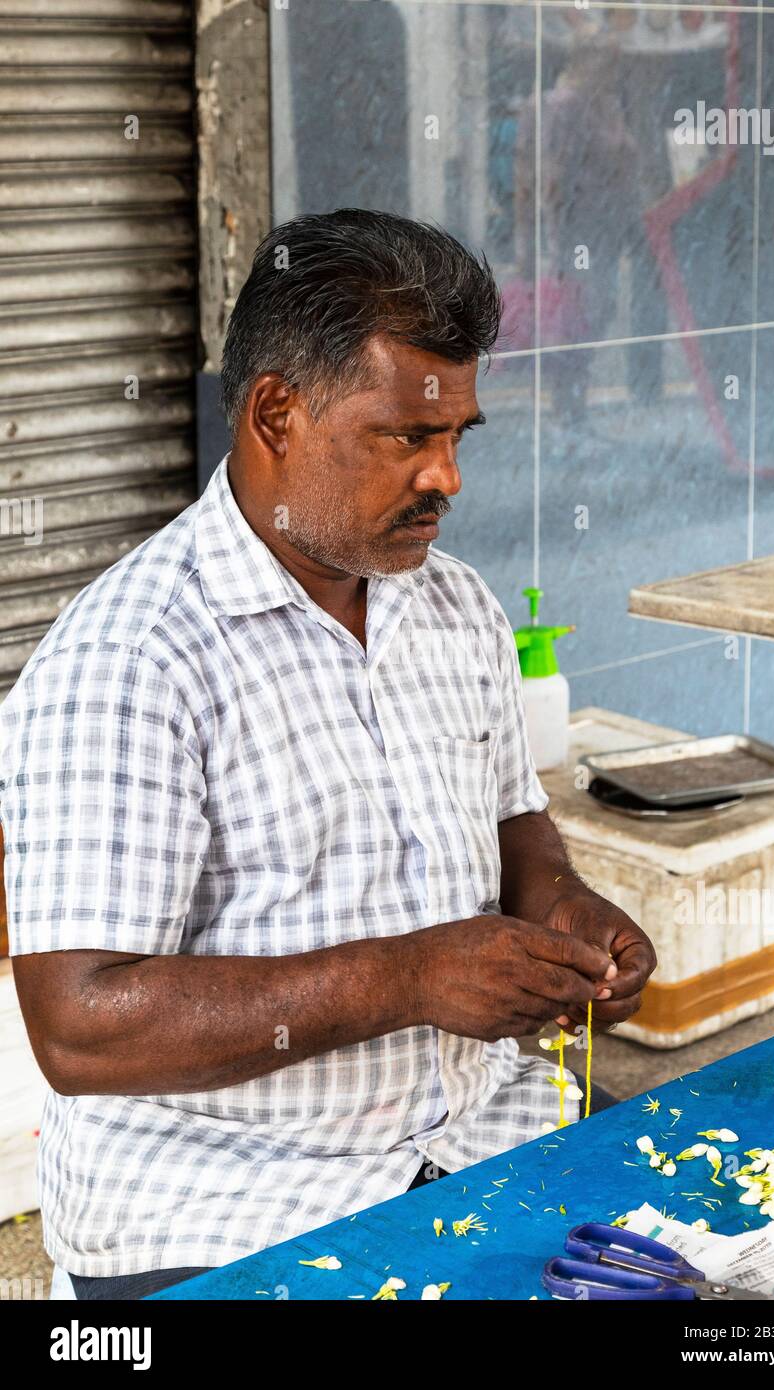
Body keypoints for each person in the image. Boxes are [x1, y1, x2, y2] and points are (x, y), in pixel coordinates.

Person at [0, 209, 656, 1300]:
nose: (446, 478)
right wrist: (409, 976)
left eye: (458, 437)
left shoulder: (452, 606)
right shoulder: (131, 657)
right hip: (228, 1201)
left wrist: (564, 914)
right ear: (275, 413)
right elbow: (80, 1023)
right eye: (407, 436)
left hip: (476, 1132)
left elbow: (513, 829)